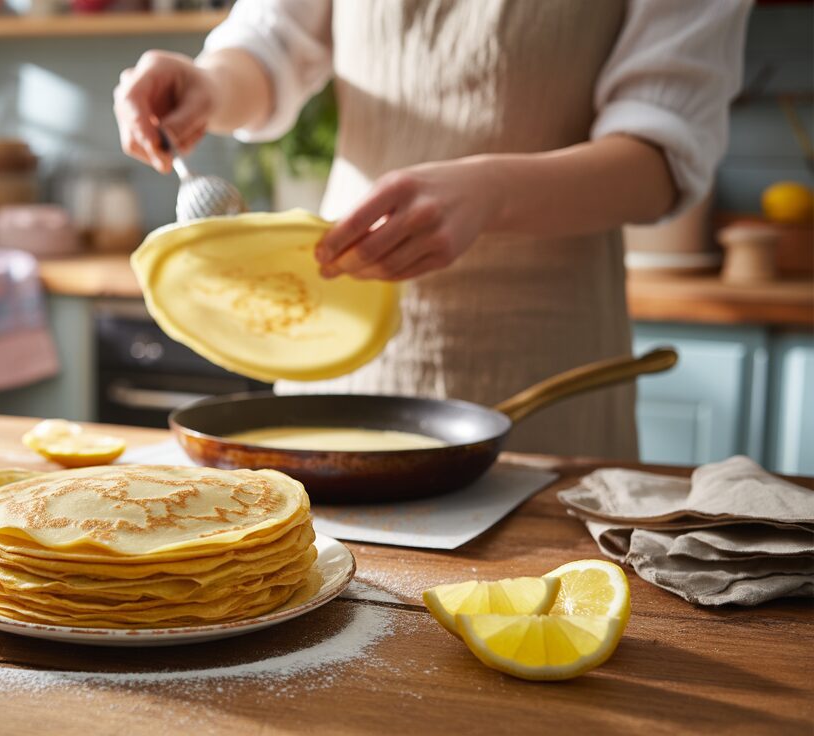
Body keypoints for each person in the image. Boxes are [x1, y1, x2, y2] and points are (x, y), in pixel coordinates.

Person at [113, 0, 749, 459]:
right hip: (338, 341)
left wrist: (493, 192)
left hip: (542, 360)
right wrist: (210, 84)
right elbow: (273, 40)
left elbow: (661, 158)